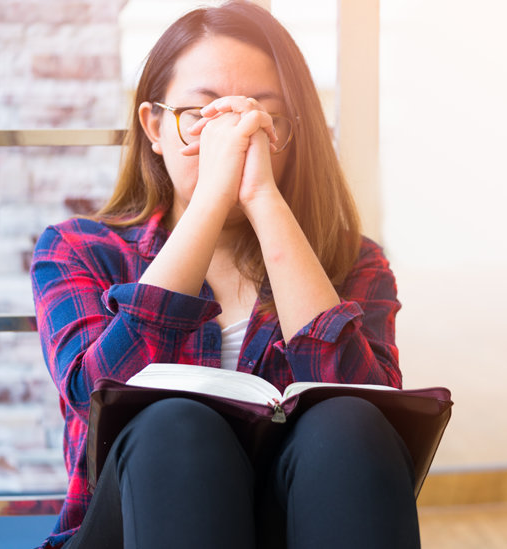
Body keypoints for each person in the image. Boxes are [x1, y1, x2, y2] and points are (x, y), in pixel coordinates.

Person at [30, 2, 419, 548]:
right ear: (154, 127)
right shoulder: (79, 249)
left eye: (260, 119)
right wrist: (209, 199)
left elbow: (379, 426)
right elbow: (96, 394)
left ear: (291, 135)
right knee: (174, 425)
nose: (232, 139)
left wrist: (262, 199)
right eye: (204, 116)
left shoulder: (355, 262)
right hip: (131, 528)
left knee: (350, 423)